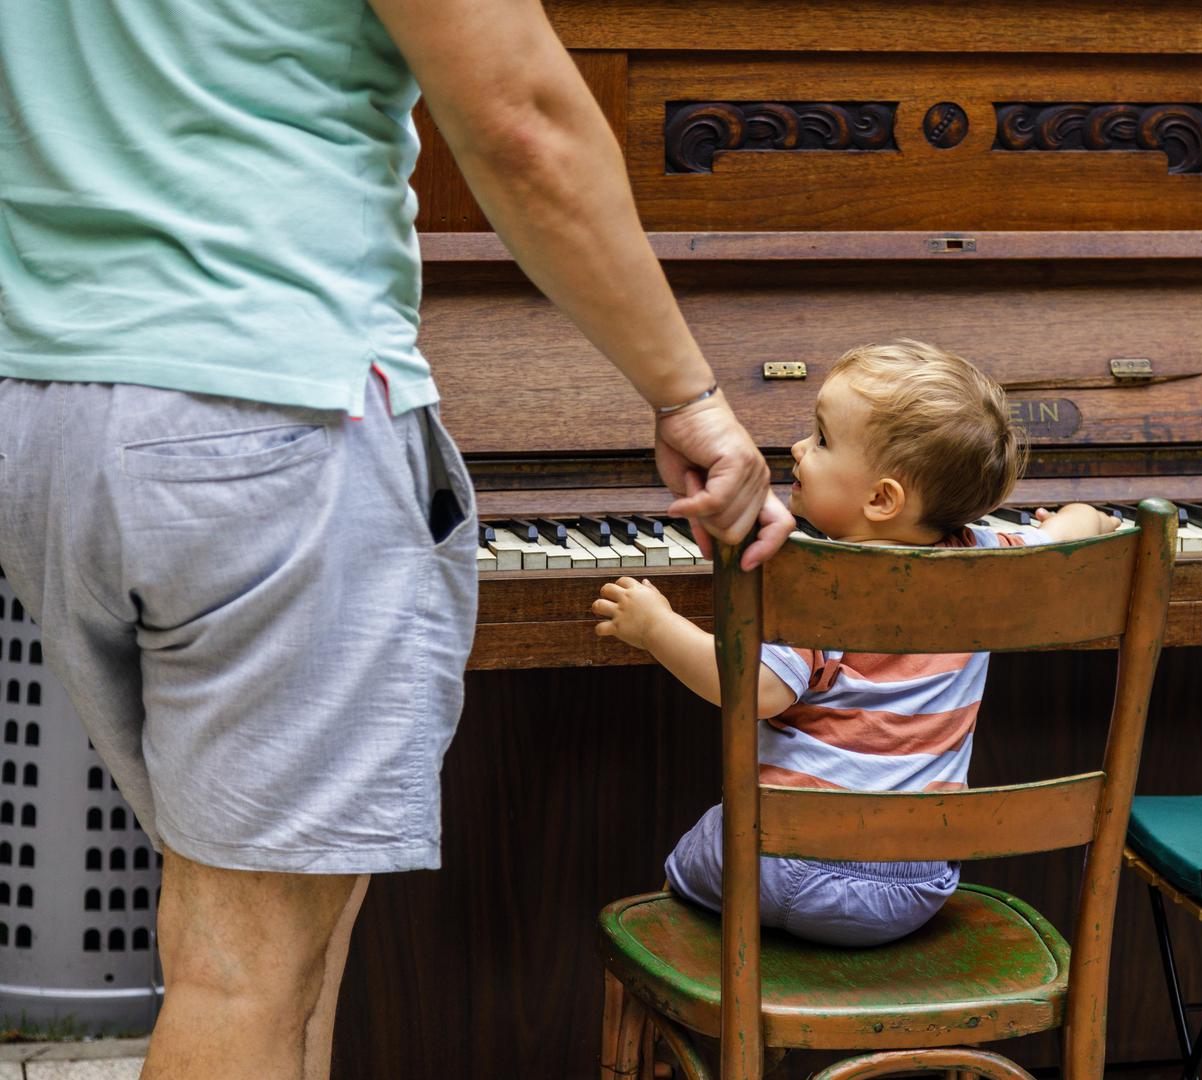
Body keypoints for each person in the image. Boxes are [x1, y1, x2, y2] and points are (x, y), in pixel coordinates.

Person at [0, 1, 789, 1077]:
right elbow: (524, 123)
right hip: (270, 405)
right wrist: (686, 395)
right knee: (247, 967)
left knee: (248, 928)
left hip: (48, 399)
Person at [593, 341, 1120, 946]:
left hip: (775, 868)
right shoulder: (994, 567)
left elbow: (756, 690)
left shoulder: (824, 587)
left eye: (820, 441)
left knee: (689, 864)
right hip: (910, 888)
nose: (796, 449)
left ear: (881, 499)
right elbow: (1065, 536)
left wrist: (655, 626)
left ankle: (711, 992)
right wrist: (1087, 518)